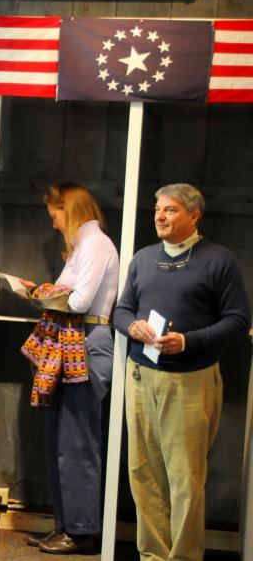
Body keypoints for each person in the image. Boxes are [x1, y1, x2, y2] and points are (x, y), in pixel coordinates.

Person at [115, 183, 250, 561]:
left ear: (194, 216)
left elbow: (238, 322)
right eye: (158, 209)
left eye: (170, 210)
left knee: (185, 479)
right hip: (141, 377)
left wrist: (186, 341)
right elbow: (121, 311)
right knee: (143, 474)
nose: (159, 216)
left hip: (190, 380)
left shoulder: (218, 260)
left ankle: (184, 557)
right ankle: (153, 556)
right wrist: (132, 327)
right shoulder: (143, 259)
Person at [20, 183, 118, 555]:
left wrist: (42, 293)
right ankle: (65, 526)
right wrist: (38, 291)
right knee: (58, 442)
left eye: (56, 215)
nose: (54, 224)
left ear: (71, 209)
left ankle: (80, 531)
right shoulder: (81, 247)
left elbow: (77, 301)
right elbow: (63, 293)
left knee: (77, 444)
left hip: (88, 340)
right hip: (71, 341)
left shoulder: (96, 244)